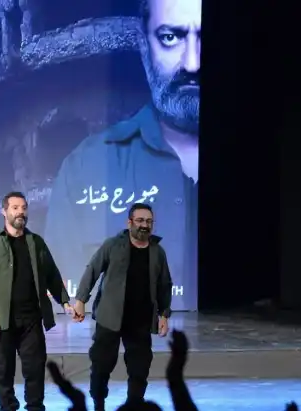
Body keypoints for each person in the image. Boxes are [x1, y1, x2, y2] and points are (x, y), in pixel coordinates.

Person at [44, 0, 201, 311]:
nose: (192, 64)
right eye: (171, 37)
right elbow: (65, 294)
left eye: (203, 38)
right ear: (144, 46)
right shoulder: (85, 166)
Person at [0, 191, 76, 411]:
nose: (21, 212)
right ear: (4, 211)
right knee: (4, 374)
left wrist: (65, 302)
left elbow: (52, 274)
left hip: (31, 321)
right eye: (15, 207)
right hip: (1, 321)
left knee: (35, 372)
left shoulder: (36, 242)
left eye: (24, 208)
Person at [72, 203, 173, 411]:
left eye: (148, 221)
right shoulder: (113, 245)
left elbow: (164, 284)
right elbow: (92, 269)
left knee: (139, 372)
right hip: (110, 318)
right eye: (140, 221)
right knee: (100, 369)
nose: (144, 225)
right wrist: (80, 299)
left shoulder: (157, 252)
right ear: (129, 223)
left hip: (140, 322)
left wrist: (164, 314)